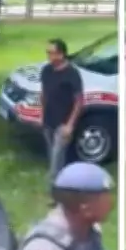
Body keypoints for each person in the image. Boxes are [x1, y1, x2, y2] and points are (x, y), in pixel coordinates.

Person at [40, 39, 84, 182]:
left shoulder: (72, 74)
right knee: (52, 154)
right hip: (48, 121)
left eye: (51, 53)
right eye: (47, 52)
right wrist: (41, 115)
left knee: (57, 158)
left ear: (61, 54)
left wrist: (70, 125)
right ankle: (61, 179)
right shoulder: (46, 70)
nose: (48, 56)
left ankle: (55, 186)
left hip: (63, 123)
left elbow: (79, 101)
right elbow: (43, 93)